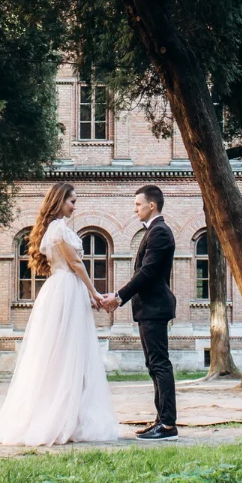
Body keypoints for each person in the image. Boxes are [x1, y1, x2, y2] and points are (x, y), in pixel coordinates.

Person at [0, 182, 120, 445]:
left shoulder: (54, 228)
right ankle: (59, 417)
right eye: (72, 201)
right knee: (66, 350)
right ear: (59, 201)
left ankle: (68, 416)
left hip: (63, 288)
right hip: (65, 289)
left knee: (63, 350)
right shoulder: (59, 229)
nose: (75, 206)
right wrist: (94, 292)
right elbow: (74, 263)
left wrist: (86, 292)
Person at [99, 184, 177, 440]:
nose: (135, 210)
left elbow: (147, 272)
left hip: (154, 308)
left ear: (151, 205)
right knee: (154, 364)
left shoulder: (160, 232)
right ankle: (161, 420)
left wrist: (119, 297)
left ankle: (167, 425)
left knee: (159, 364)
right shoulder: (154, 232)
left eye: (138, 205)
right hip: (149, 309)